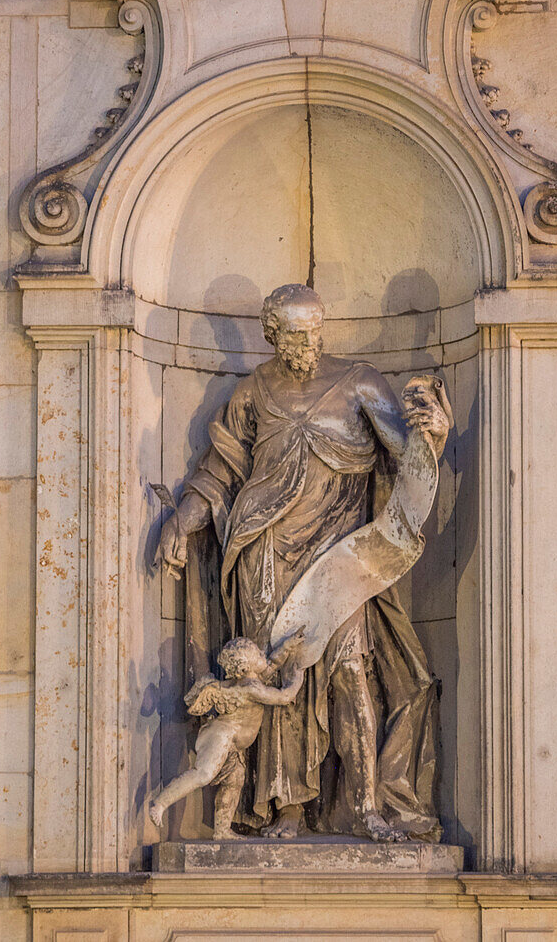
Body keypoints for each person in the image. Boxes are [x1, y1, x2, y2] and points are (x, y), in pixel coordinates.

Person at [156, 283, 452, 841]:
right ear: (273, 334)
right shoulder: (253, 393)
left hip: (339, 559)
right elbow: (219, 474)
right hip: (264, 552)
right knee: (273, 677)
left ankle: (366, 807)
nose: (309, 342)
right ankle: (286, 808)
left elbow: (407, 455)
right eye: (296, 333)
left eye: (315, 329)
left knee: (350, 672)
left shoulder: (359, 381)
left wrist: (430, 433)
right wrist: (180, 522)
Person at [148, 630, 305, 839]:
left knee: (234, 782)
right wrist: (298, 675)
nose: (263, 655)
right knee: (202, 774)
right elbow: (285, 696)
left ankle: (222, 830)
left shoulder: (251, 680)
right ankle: (161, 803)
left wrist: (288, 646)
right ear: (245, 666)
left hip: (233, 744)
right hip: (222, 736)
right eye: (258, 654)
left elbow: (271, 664)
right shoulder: (250, 688)